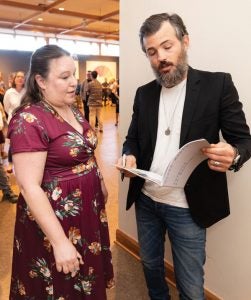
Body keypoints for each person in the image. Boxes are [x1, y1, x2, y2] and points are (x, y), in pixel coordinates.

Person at [117, 13, 251, 300]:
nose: (160, 58)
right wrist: (128, 156)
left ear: (184, 41)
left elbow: (244, 140)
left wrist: (235, 154)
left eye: (167, 46)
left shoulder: (218, 85)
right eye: (151, 52)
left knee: (191, 286)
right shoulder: (144, 94)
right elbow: (133, 141)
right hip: (146, 200)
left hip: (189, 206)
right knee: (151, 265)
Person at [8, 45, 114, 299]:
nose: (73, 83)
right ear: (41, 81)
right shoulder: (28, 120)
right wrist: (59, 241)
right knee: (59, 285)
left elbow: (85, 148)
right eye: (64, 77)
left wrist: (99, 183)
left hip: (86, 213)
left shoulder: (71, 108)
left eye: (74, 76)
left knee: (83, 278)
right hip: (55, 221)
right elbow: (29, 186)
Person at [3, 71, 25, 173]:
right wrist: (12, 115)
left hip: (25, 121)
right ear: (14, 79)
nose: (20, 78)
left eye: (22, 77)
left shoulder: (26, 91)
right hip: (13, 121)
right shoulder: (9, 92)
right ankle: (7, 164)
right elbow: (6, 107)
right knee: (9, 142)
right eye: (18, 77)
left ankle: (20, 165)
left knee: (22, 143)